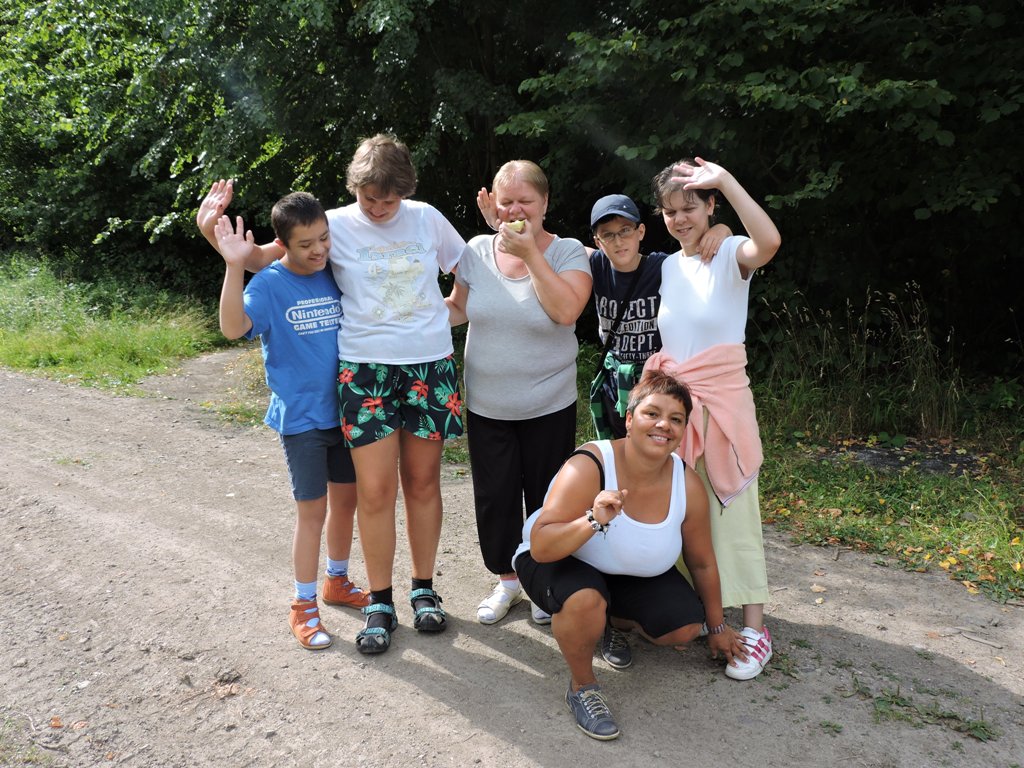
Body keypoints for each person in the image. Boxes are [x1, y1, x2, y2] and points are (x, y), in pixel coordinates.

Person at [199, 135, 467, 655]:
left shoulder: (428, 218)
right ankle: (381, 601)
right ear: (354, 189)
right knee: (374, 491)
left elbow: (468, 266)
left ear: (406, 191)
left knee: (422, 482)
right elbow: (259, 259)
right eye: (369, 198)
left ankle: (424, 589)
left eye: (389, 199)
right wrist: (209, 229)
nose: (379, 208)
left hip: (429, 366)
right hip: (365, 370)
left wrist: (456, 309)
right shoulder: (333, 225)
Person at [512, 371, 747, 740]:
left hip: (623, 573)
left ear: (683, 430)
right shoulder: (591, 463)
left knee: (685, 626)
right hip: (557, 559)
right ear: (629, 419)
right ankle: (583, 687)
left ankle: (612, 623)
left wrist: (717, 628)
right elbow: (542, 546)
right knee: (585, 600)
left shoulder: (687, 483)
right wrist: (593, 519)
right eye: (652, 413)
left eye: (676, 419)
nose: (663, 425)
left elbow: (702, 561)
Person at [211, 191, 369, 651]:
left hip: (347, 412)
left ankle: (336, 580)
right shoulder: (269, 285)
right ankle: (302, 605)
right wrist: (234, 266)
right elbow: (232, 328)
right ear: (281, 244)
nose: (318, 250)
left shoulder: (334, 272)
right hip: (302, 420)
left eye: (323, 238)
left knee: (346, 503)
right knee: (312, 512)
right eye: (305, 244)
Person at [645, 156, 782, 680]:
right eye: (670, 211)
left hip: (722, 406)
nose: (680, 219)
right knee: (685, 510)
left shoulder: (729, 253)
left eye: (690, 207)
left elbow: (768, 243)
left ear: (710, 207)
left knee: (733, 514)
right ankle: (707, 612)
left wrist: (725, 179)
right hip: (677, 410)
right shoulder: (669, 266)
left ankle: (755, 628)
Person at [448, 161, 592, 627]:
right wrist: (405, 310)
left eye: (525, 201)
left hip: (548, 403)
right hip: (487, 404)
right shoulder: (476, 250)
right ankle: (508, 582)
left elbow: (566, 311)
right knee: (496, 499)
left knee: (549, 498)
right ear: (493, 203)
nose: (515, 210)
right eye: (506, 201)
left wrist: (530, 254)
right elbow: (457, 309)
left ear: (545, 203)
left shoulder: (568, 252)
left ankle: (543, 580)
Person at [587, 194, 730, 439]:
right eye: (608, 235)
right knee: (620, 449)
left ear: (641, 231)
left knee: (656, 447)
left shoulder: (663, 267)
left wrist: (722, 229)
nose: (618, 241)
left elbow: (699, 256)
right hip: (614, 381)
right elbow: (555, 247)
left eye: (625, 230)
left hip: (655, 381)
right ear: (598, 241)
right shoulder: (595, 265)